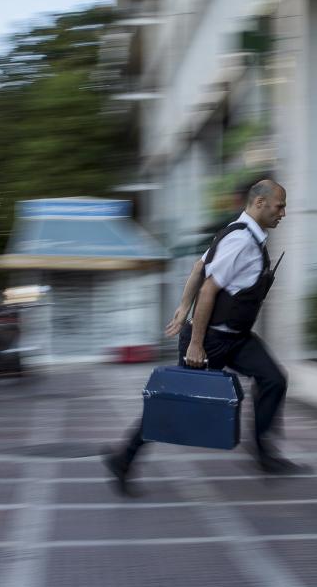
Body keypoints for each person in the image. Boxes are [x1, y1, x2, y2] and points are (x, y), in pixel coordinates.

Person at [104, 179, 305, 495]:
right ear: (260, 203)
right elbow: (209, 289)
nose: (284, 212)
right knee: (177, 406)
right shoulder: (241, 240)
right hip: (209, 340)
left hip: (237, 338)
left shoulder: (242, 234)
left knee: (273, 379)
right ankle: (122, 459)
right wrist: (195, 342)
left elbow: (199, 267)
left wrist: (183, 306)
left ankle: (264, 453)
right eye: (279, 205)